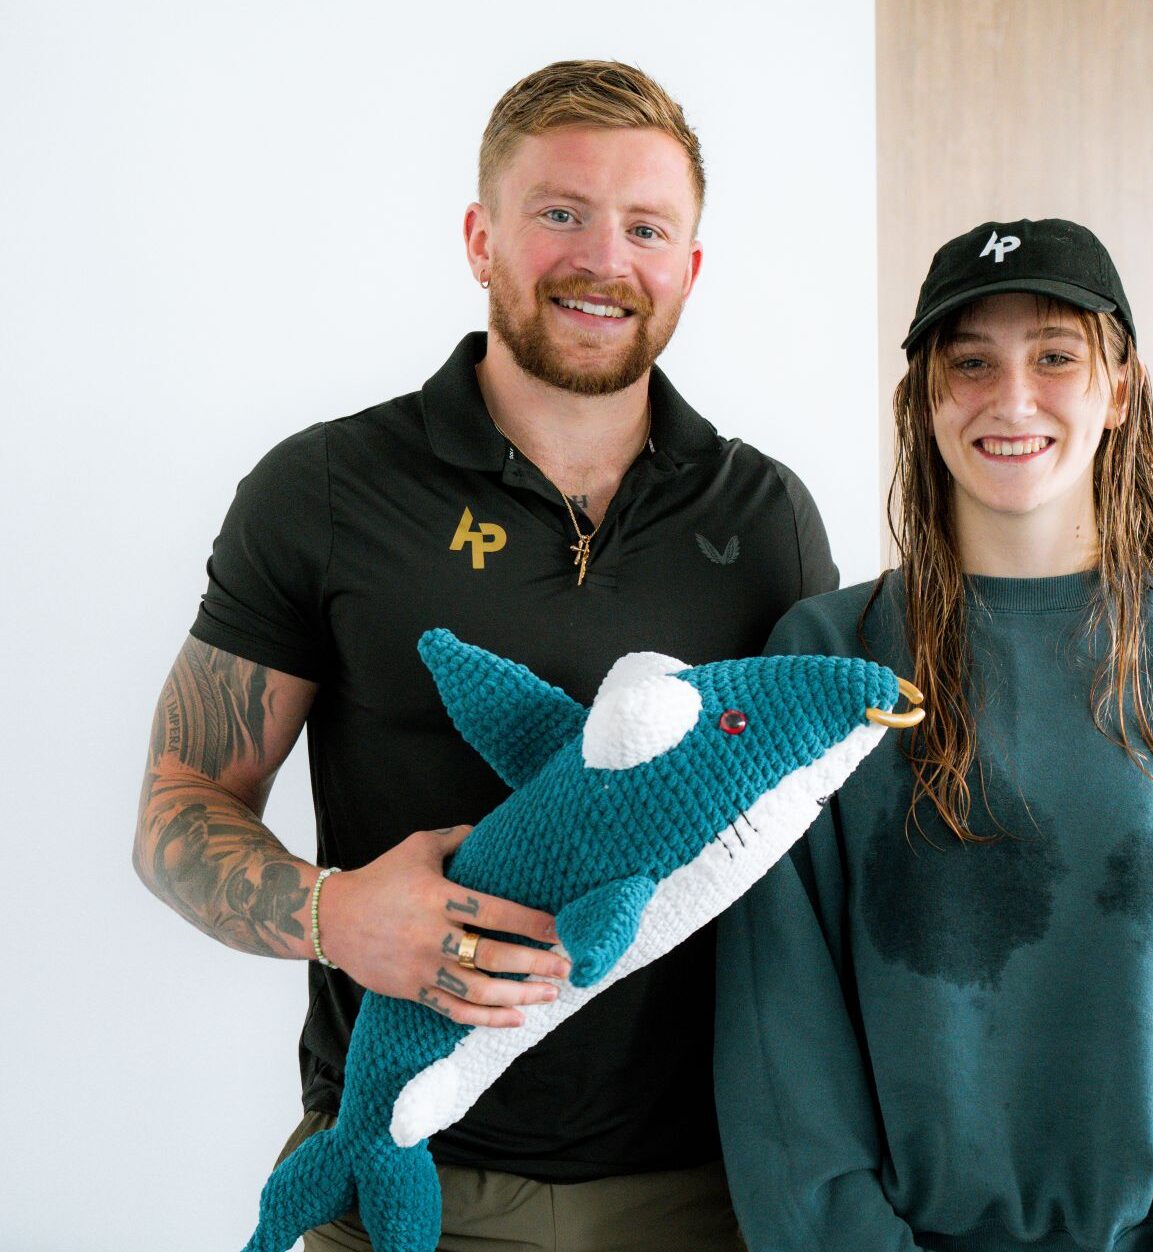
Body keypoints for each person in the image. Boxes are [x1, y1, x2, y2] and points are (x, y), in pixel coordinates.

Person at [133, 60, 837, 1251]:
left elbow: (814, 842)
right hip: (402, 1175)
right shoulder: (324, 490)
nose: (603, 260)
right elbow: (174, 809)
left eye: (646, 227)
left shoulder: (764, 517)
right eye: (560, 212)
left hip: (707, 1192)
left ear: (690, 268)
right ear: (481, 236)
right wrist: (332, 911)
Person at [715, 218, 1153, 1251]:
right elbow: (781, 1043)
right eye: (971, 363)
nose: (1012, 398)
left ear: (1119, 387)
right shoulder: (824, 658)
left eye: (1054, 357)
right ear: (921, 400)